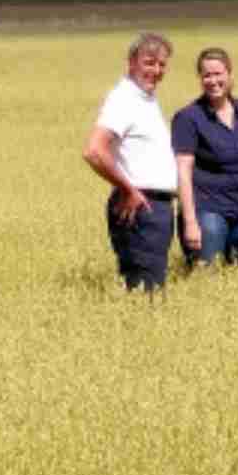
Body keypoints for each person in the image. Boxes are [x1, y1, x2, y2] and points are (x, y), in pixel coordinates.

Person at [83, 33, 177, 293]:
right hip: (140, 207)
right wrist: (127, 189)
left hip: (155, 206)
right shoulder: (123, 99)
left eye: (161, 64)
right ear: (131, 63)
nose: (156, 70)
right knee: (145, 292)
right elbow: (94, 151)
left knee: (152, 288)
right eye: (149, 63)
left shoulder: (145, 98)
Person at [172, 47, 238, 267]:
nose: (213, 80)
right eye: (206, 75)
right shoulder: (188, 118)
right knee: (207, 277)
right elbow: (183, 171)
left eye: (218, 73)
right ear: (200, 79)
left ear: (230, 74)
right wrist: (190, 222)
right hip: (207, 213)